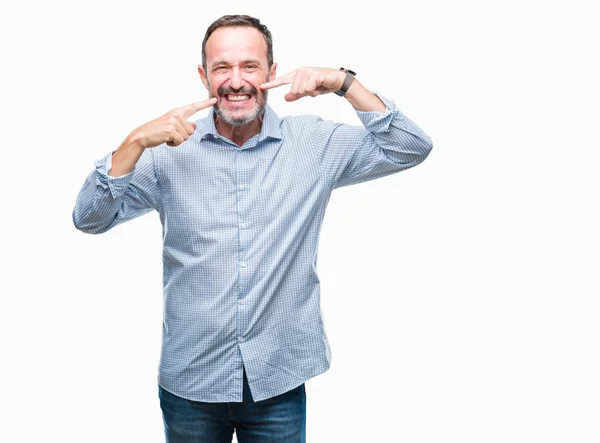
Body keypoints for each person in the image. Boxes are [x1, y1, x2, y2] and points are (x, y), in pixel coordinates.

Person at [72, 14, 433, 443]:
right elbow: (89, 219)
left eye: (250, 66)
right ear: (204, 77)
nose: (236, 80)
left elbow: (411, 146)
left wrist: (343, 82)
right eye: (222, 68)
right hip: (191, 381)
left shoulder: (314, 145)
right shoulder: (166, 151)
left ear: (272, 74)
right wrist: (132, 143)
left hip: (277, 379)